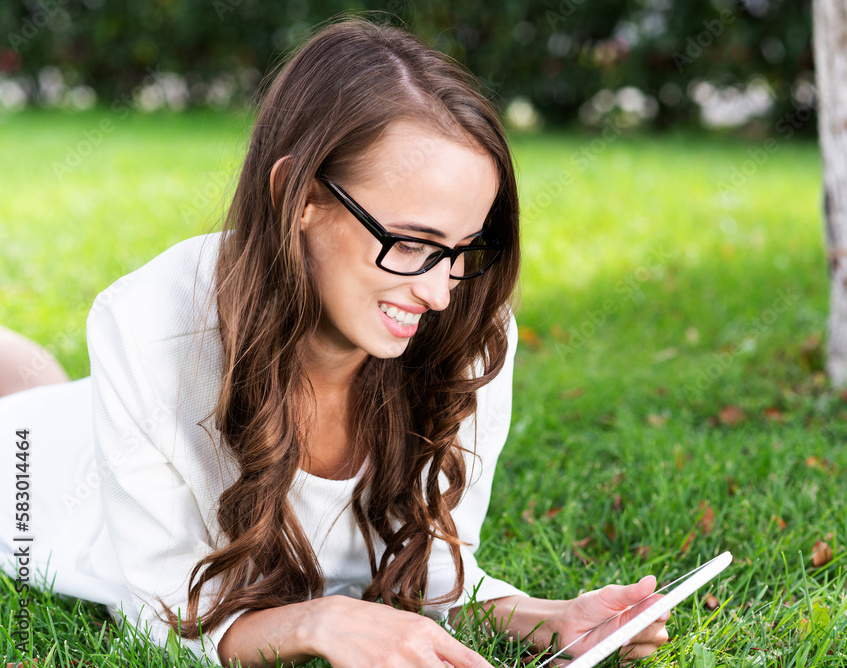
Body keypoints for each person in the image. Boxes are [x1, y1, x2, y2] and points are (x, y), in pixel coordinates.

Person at [0, 18, 671, 668]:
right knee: (27, 404)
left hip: (93, 420)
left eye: (465, 249)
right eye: (411, 243)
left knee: (40, 381)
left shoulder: (469, 330)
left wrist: (542, 616)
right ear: (298, 199)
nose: (440, 294)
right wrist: (323, 621)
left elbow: (429, 580)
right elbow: (164, 621)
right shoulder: (148, 326)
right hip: (37, 482)